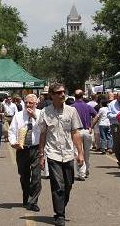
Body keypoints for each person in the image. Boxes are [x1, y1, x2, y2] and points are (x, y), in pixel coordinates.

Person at [37, 83, 85, 226]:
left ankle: (61, 207)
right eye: (58, 93)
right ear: (51, 95)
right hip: (53, 154)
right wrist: (41, 155)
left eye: (64, 92)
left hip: (69, 153)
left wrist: (80, 153)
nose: (62, 95)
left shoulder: (71, 111)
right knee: (58, 186)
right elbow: (43, 135)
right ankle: (59, 214)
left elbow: (75, 133)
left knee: (68, 185)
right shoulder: (44, 112)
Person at [8, 94, 43, 212]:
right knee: (24, 175)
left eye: (31, 103)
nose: (28, 105)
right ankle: (26, 197)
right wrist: (13, 142)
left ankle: (33, 202)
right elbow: (12, 131)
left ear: (36, 104)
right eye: (26, 102)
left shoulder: (41, 114)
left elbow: (45, 129)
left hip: (36, 148)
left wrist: (35, 117)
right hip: (22, 149)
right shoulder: (18, 116)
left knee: (36, 176)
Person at [71, 89, 96, 180]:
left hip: (76, 132)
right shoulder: (87, 106)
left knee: (78, 152)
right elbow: (96, 115)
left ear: (74, 96)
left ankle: (81, 173)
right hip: (86, 131)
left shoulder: (72, 107)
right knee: (86, 153)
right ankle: (86, 170)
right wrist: (91, 126)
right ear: (83, 96)